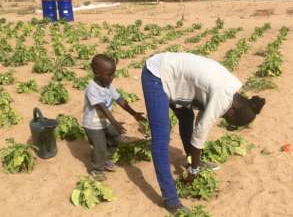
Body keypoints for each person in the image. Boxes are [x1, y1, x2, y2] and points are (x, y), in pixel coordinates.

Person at [141, 52, 265, 213]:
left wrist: (195, 162)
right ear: (233, 110)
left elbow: (200, 121)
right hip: (157, 74)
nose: (224, 118)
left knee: (186, 117)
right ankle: (171, 200)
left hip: (176, 77)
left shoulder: (233, 88)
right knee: (160, 138)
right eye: (229, 119)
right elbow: (201, 132)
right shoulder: (223, 97)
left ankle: (193, 160)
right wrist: (193, 170)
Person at [82, 54, 145, 181]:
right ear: (97, 73)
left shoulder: (108, 85)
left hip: (105, 122)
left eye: (113, 73)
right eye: (109, 74)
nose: (113, 77)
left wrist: (134, 113)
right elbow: (102, 108)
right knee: (99, 146)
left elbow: (120, 100)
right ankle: (97, 169)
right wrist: (115, 123)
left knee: (116, 137)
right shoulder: (92, 88)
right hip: (93, 125)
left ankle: (105, 158)